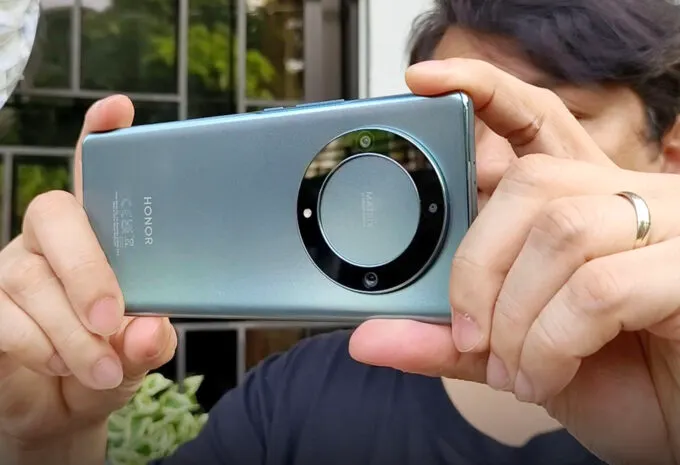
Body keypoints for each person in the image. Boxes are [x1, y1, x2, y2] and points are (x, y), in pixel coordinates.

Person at [1, 0, 679, 464]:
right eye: (459, 126)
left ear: (670, 154)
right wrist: (46, 442)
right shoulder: (291, 400)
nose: (493, 165)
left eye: (559, 115)